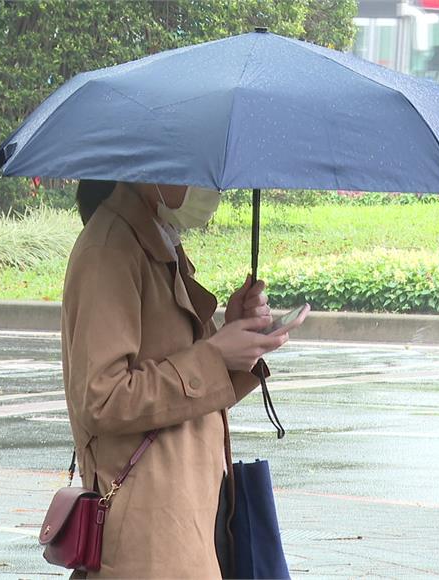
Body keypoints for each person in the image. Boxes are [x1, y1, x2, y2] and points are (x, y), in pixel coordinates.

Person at [62, 180, 297, 578]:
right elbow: (101, 398)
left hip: (188, 513)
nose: (207, 186)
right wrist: (215, 355)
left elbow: (185, 387)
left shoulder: (156, 239)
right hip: (147, 532)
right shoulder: (109, 250)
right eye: (194, 172)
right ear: (151, 166)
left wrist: (234, 336)